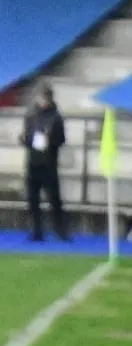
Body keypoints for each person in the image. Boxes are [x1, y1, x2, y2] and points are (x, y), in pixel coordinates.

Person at [20, 85, 67, 242]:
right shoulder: (31, 116)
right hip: (33, 163)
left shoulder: (56, 117)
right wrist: (25, 139)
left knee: (54, 199)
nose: (43, 101)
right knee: (33, 200)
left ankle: (60, 230)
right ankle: (36, 231)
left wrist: (50, 140)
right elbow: (26, 137)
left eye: (45, 98)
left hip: (49, 163)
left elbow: (61, 140)